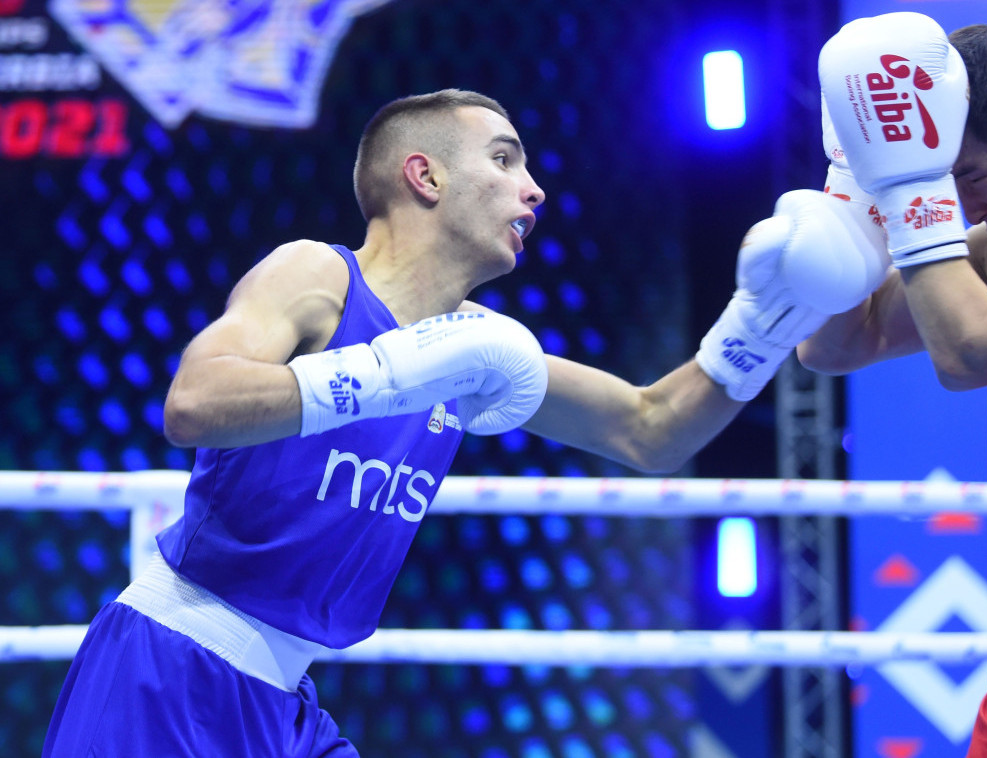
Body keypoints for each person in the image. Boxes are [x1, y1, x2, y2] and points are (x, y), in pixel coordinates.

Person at [43, 88, 884, 757]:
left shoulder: (477, 351)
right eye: (504, 158)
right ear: (426, 176)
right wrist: (382, 375)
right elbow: (193, 405)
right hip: (169, 669)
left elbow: (650, 429)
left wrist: (762, 324)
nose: (534, 188)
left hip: (285, 700)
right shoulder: (318, 278)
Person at [810, 14, 987, 757]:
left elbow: (971, 354)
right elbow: (838, 345)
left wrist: (912, 185)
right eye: (944, 177)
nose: (962, 203)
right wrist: (853, 197)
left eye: (969, 174)